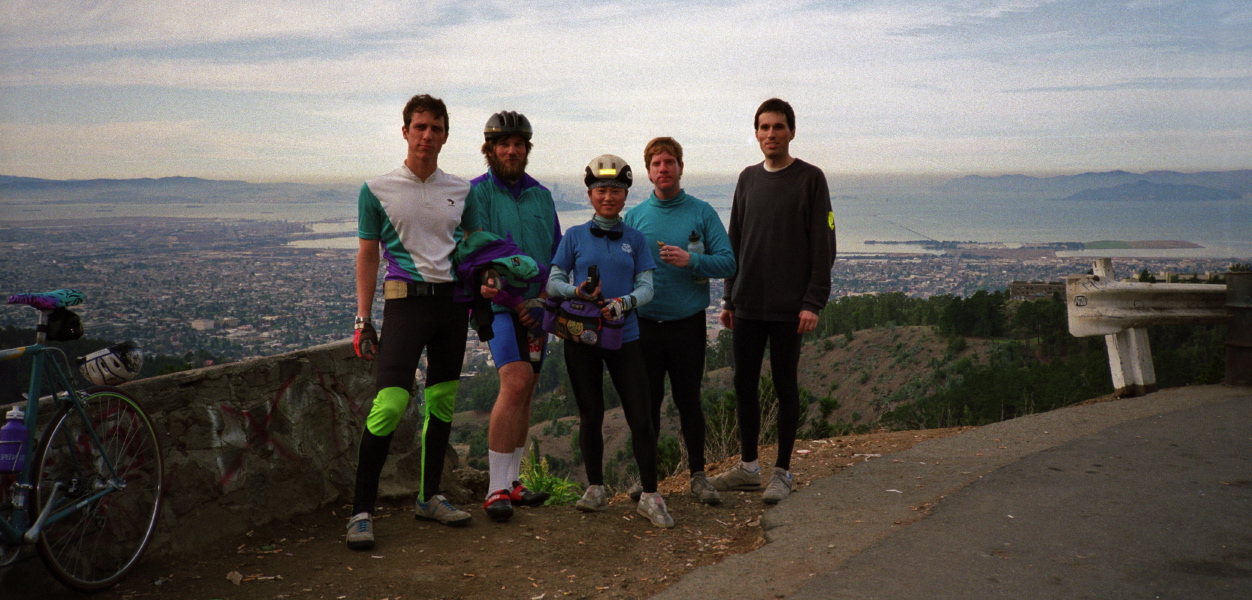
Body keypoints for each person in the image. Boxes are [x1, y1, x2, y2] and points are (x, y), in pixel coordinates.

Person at [346, 94, 475, 550]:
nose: (427, 135)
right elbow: (367, 253)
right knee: (390, 402)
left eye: (436, 128)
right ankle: (361, 510)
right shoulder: (377, 188)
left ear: (445, 134)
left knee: (441, 403)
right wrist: (363, 319)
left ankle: (429, 497)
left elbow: (473, 250)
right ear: (405, 131)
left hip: (451, 305)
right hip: (404, 302)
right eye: (419, 127)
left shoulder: (462, 190)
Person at [711, 98, 836, 505]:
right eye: (763, 128)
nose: (770, 134)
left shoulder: (810, 179)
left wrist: (813, 301)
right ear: (756, 132)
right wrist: (728, 297)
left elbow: (824, 243)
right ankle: (749, 468)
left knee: (785, 386)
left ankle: (782, 471)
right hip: (747, 302)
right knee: (743, 385)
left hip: (789, 308)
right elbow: (734, 241)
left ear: (791, 132)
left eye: (778, 127)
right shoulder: (747, 179)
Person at [547, 154, 673, 528]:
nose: (608, 196)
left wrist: (624, 303)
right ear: (589, 194)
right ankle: (596, 488)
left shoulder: (635, 239)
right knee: (591, 414)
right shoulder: (574, 237)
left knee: (641, 415)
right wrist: (578, 291)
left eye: (616, 190)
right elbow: (553, 282)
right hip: (581, 336)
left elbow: (648, 286)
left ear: (625, 195)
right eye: (601, 189)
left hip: (626, 335)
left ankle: (650, 494)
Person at [622, 137, 736, 505]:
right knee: (648, 405)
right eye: (656, 163)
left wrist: (693, 261)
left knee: (689, 402)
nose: (663, 169)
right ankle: (648, 479)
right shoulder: (636, 217)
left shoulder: (701, 212)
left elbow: (729, 262)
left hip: (686, 325)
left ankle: (699, 476)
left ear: (680, 167)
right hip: (644, 326)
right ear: (648, 171)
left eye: (669, 162)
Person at [461, 111, 561, 523]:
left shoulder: (541, 195)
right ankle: (495, 488)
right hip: (498, 305)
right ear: (489, 149)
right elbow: (478, 249)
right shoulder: (477, 193)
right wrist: (509, 294)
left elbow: (555, 250)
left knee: (530, 386)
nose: (512, 150)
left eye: (519, 144)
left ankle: (514, 481)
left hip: (538, 307)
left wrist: (544, 299)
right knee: (515, 380)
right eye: (503, 144)